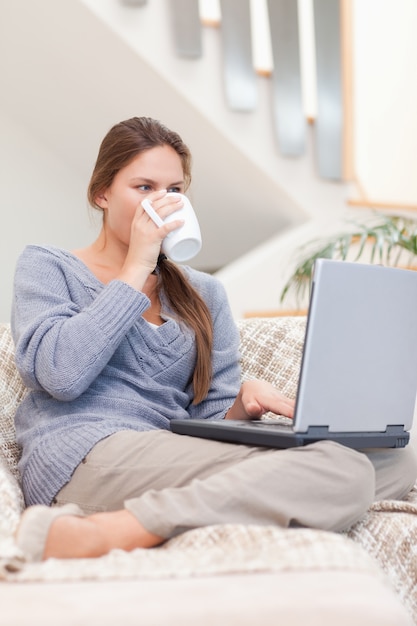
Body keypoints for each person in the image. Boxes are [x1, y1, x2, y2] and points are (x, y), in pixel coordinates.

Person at [12, 117, 417, 562]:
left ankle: (169, 515)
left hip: (170, 450)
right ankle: (103, 532)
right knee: (342, 473)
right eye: (143, 187)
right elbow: (60, 374)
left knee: (393, 461)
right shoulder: (48, 266)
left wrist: (244, 403)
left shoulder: (205, 293)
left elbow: (208, 417)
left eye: (174, 190)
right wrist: (136, 267)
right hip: (83, 453)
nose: (161, 203)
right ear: (101, 194)